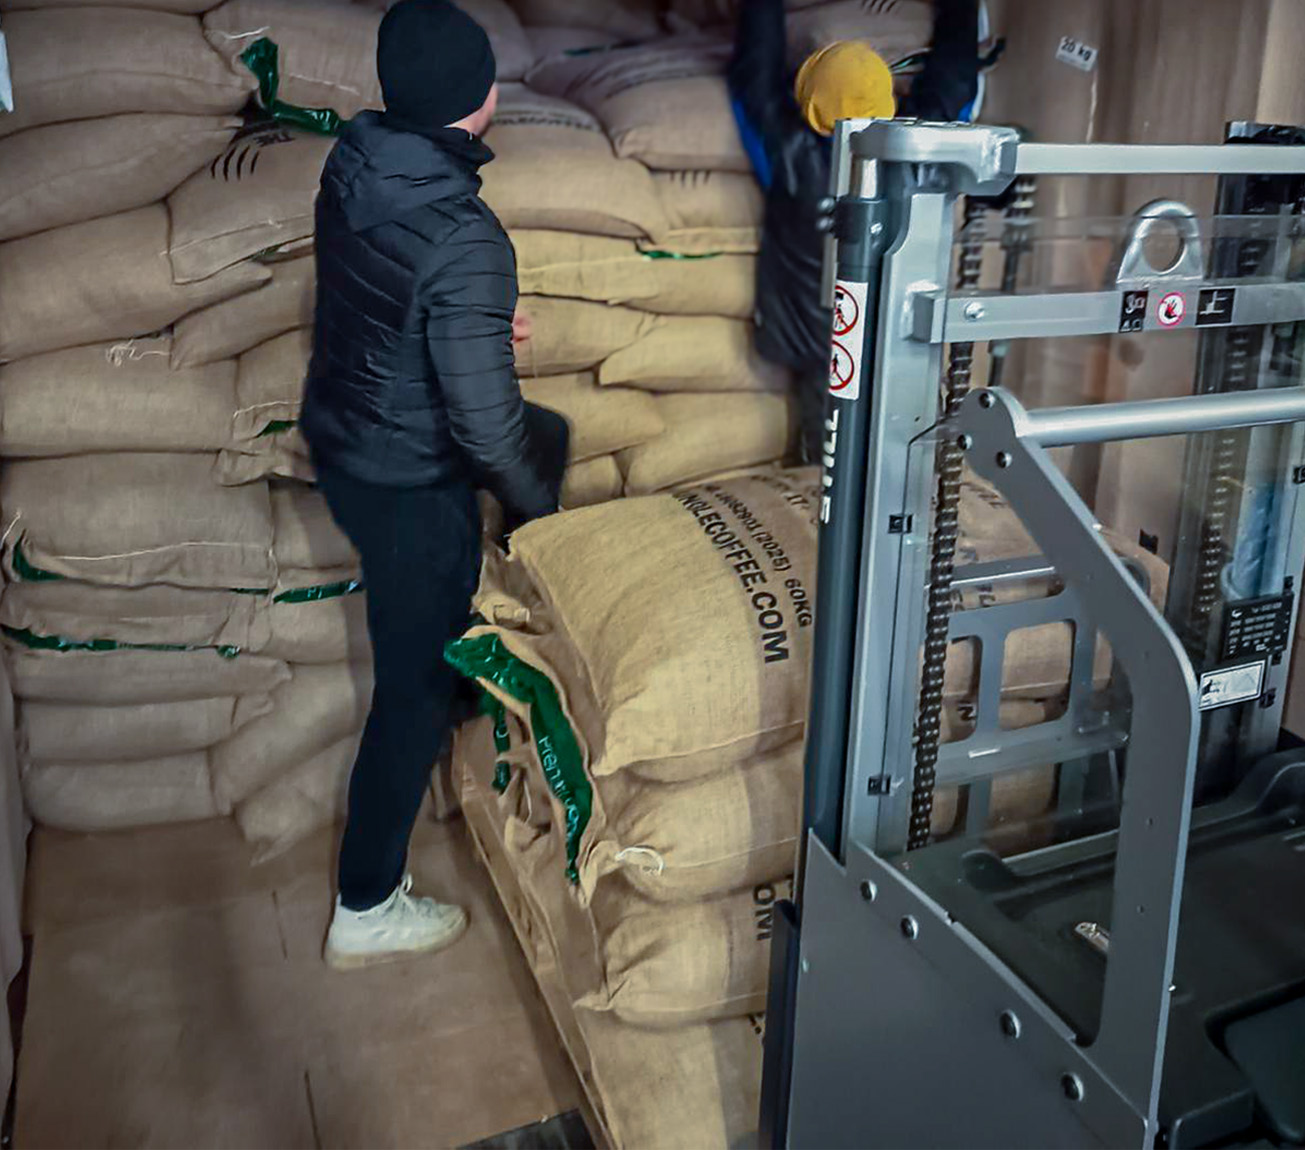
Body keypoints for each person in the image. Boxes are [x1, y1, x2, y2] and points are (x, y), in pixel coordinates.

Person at [300, 0, 568, 970]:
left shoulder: (356, 164)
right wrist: (545, 524)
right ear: (483, 98)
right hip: (409, 478)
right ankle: (364, 902)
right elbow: (489, 432)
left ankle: (462, 685)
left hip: (347, 443)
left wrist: (471, 328)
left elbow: (378, 293)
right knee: (406, 690)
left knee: (552, 432)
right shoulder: (467, 233)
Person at [729, 0, 980, 462]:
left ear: (809, 104)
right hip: (897, 344)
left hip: (816, 350)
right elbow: (955, 80)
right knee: (899, 453)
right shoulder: (922, 153)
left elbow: (754, 75)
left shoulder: (785, 152)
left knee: (824, 458)